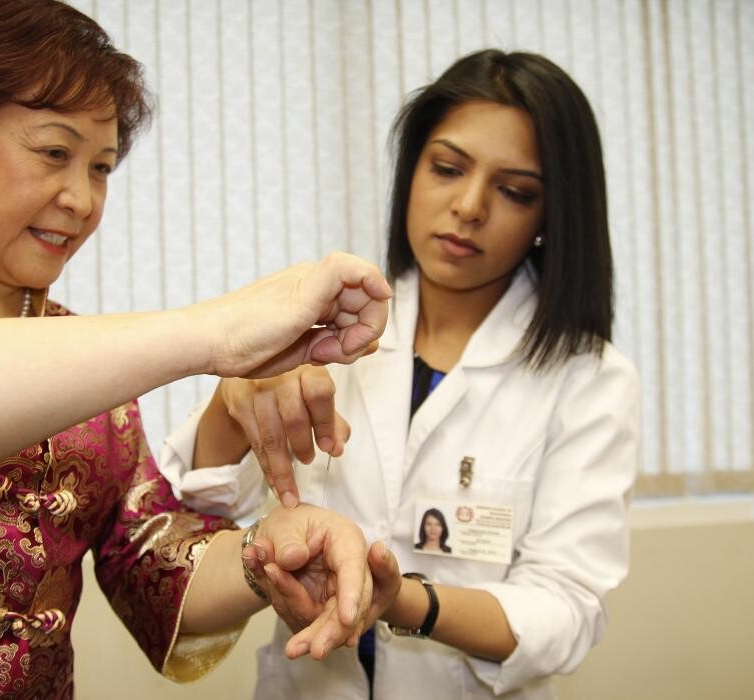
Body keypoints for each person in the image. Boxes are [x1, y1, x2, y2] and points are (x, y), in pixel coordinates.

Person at [0, 1, 394, 697]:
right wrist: (210, 332)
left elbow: (154, 565)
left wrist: (271, 555)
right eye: (53, 153)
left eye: (100, 167)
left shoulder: (93, 376)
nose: (80, 198)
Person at [162, 49, 641, 699]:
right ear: (412, 169)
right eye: (447, 168)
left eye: (515, 191)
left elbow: (565, 612)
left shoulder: (589, 379)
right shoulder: (322, 319)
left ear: (550, 217)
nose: (469, 206)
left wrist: (403, 602)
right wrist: (233, 398)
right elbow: (180, 524)